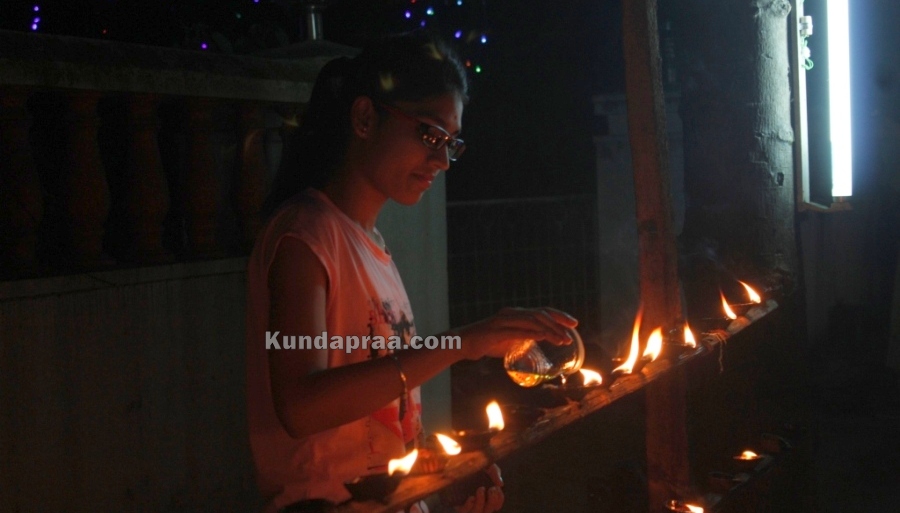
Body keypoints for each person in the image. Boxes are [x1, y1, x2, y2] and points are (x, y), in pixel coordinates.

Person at [245, 30, 578, 513]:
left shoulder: (373, 250)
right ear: (364, 118)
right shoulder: (307, 237)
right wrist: (461, 342)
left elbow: (377, 431)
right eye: (429, 134)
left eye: (451, 143)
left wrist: (442, 472)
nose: (442, 160)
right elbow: (302, 406)